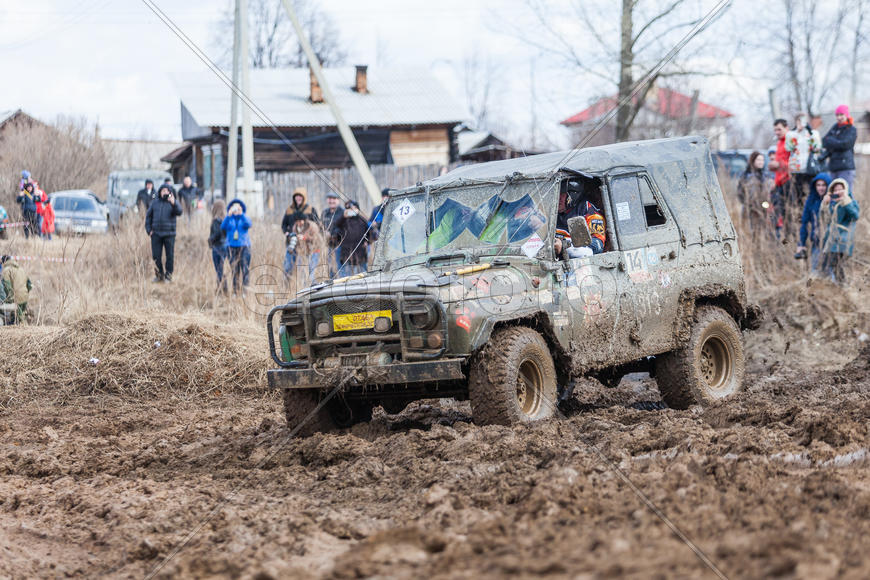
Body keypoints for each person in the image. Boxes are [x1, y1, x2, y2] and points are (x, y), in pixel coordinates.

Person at [819, 178, 859, 284]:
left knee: (836, 263)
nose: (837, 193)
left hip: (844, 239)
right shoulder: (832, 205)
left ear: (846, 190)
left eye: (840, 190)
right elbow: (824, 219)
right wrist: (825, 205)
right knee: (831, 263)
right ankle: (839, 285)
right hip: (832, 240)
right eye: (834, 190)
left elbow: (855, 215)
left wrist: (845, 201)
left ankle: (842, 285)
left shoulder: (851, 202)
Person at [556, 179, 605, 254]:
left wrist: (564, 246)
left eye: (561, 194)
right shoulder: (550, 211)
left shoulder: (590, 212)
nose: (557, 199)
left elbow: (597, 246)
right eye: (555, 194)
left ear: (572, 195)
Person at [145, 183, 182, 282]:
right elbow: (148, 217)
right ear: (160, 192)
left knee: (170, 256)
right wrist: (149, 231)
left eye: (167, 191)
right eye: (163, 191)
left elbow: (180, 212)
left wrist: (174, 203)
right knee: (156, 256)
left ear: (170, 192)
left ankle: (168, 276)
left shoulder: (173, 202)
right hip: (156, 234)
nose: (165, 192)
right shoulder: (154, 203)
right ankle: (159, 275)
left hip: (169, 234)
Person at [737, 151, 774, 242]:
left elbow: (770, 192)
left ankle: (762, 252)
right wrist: (748, 204)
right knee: (750, 232)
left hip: (763, 209)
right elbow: (740, 192)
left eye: (762, 160)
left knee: (764, 232)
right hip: (750, 209)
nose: (761, 162)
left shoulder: (766, 176)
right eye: (758, 160)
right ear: (752, 161)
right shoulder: (746, 176)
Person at [795, 172, 830, 267]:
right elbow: (804, 223)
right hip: (816, 241)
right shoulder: (810, 201)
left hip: (831, 243)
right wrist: (801, 243)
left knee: (830, 273)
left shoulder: (832, 200)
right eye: (818, 185)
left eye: (823, 185)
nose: (821, 188)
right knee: (815, 272)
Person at [785, 113, 821, 205]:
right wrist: (796, 133)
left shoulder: (813, 133)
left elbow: (817, 147)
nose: (802, 122)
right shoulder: (791, 134)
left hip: (809, 168)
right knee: (798, 194)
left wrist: (810, 133)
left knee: (811, 191)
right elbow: (789, 148)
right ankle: (799, 214)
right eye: (799, 120)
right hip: (796, 168)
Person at [822, 104, 858, 191]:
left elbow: (846, 145)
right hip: (833, 167)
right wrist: (837, 142)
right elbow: (824, 141)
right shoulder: (835, 127)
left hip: (846, 168)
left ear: (846, 115)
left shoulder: (851, 129)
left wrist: (832, 141)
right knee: (833, 194)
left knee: (846, 194)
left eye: (841, 115)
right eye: (837, 115)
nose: (839, 117)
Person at [221, 199, 252, 294]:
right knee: (234, 270)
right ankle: (235, 291)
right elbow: (223, 227)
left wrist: (241, 213)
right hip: (231, 247)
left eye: (238, 207)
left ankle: (245, 292)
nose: (236, 210)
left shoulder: (244, 218)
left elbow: (249, 224)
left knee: (245, 269)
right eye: (234, 207)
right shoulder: (229, 219)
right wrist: (228, 215)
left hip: (244, 246)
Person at [768, 119, 791, 238]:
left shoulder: (791, 140)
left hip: (789, 182)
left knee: (789, 214)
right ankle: (784, 240)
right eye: (775, 130)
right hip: (779, 183)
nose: (777, 132)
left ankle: (791, 239)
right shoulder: (779, 143)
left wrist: (780, 165)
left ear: (787, 128)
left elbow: (795, 163)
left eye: (779, 129)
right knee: (781, 214)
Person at [334, 200, 370, 276]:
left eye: (353, 208)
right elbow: (335, 225)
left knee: (362, 274)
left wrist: (368, 241)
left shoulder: (362, 219)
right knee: (346, 275)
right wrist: (343, 216)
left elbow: (371, 232)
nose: (351, 210)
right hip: (346, 252)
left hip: (360, 252)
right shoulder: (343, 220)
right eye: (349, 209)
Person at [292, 218, 324, 286]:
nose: (299, 223)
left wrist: (304, 237)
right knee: (302, 271)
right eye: (297, 221)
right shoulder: (295, 227)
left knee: (311, 272)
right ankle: (305, 287)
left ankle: (313, 286)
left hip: (314, 251)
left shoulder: (312, 226)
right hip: (303, 252)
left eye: (300, 221)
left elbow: (316, 238)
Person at [0, 255, 32, 324]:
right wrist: (25, 293)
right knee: (21, 316)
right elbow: (29, 285)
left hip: (16, 298)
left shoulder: (6, 270)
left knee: (18, 319)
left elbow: (7, 287)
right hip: (25, 297)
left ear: (3, 262)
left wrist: (9, 300)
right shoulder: (21, 269)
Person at [320, 192, 343, 277]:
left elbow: (344, 228)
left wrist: (332, 233)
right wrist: (323, 233)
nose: (332, 201)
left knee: (339, 267)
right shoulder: (324, 213)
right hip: (328, 246)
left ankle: (341, 284)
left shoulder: (342, 212)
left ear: (338, 200)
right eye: (330, 198)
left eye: (334, 199)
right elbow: (320, 226)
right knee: (329, 267)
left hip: (340, 245)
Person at [208, 200, 228, 293]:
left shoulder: (216, 220)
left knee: (219, 270)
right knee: (223, 268)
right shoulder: (226, 219)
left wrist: (210, 240)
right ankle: (224, 288)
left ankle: (220, 289)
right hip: (226, 247)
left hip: (217, 247)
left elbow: (216, 234)